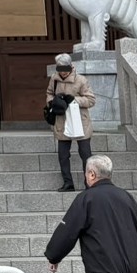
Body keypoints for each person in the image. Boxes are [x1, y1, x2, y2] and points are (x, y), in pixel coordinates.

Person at [45, 53, 97, 192]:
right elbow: (49, 93)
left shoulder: (81, 80)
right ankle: (68, 183)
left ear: (70, 66)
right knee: (63, 155)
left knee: (85, 154)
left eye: (65, 68)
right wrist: (54, 102)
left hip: (80, 121)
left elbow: (91, 100)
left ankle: (89, 184)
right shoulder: (54, 79)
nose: (62, 72)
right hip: (62, 120)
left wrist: (74, 100)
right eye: (60, 68)